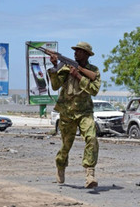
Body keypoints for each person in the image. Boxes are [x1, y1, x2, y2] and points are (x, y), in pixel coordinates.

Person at [47, 41, 101, 188]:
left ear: (86, 54)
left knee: (91, 138)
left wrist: (78, 75)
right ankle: (61, 165)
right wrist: (54, 66)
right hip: (67, 112)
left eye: (79, 51)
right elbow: (55, 85)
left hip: (84, 112)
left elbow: (94, 90)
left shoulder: (94, 71)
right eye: (75, 50)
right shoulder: (65, 67)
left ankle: (90, 174)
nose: (75, 53)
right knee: (66, 145)